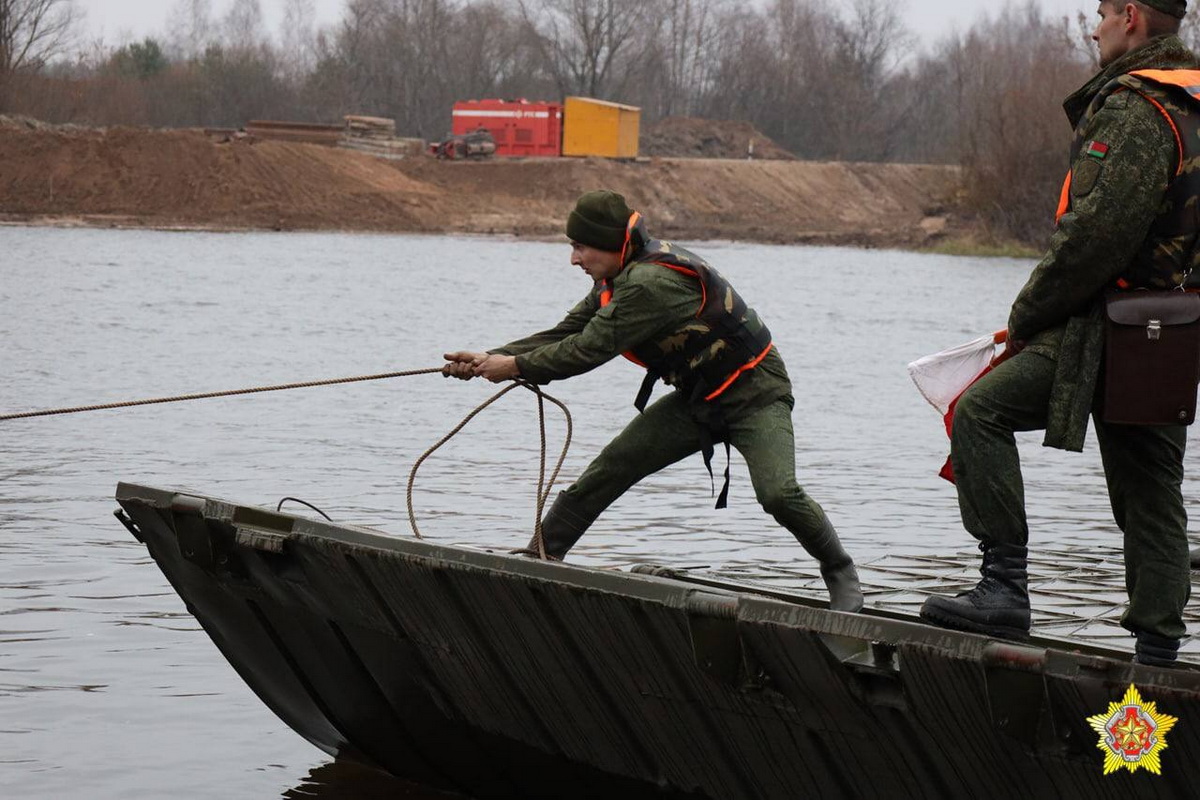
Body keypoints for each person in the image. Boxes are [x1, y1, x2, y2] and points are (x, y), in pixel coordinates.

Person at [920, 0, 1199, 666]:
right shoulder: (1192, 103)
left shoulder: (1137, 108)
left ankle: (1004, 589)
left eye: (1100, 13)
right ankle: (1158, 653)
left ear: (1130, 16)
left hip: (1108, 327)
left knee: (980, 411)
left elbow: (1094, 239)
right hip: (1173, 328)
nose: (1094, 26)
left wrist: (1025, 318)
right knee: (1150, 483)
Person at [443, 190, 863, 612]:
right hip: (698, 400)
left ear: (611, 245)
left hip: (756, 395)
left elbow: (586, 350)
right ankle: (538, 558)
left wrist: (511, 366)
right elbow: (564, 332)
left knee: (777, 494)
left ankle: (840, 571)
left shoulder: (650, 283)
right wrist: (487, 358)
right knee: (611, 468)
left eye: (579, 247)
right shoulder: (617, 278)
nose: (574, 259)